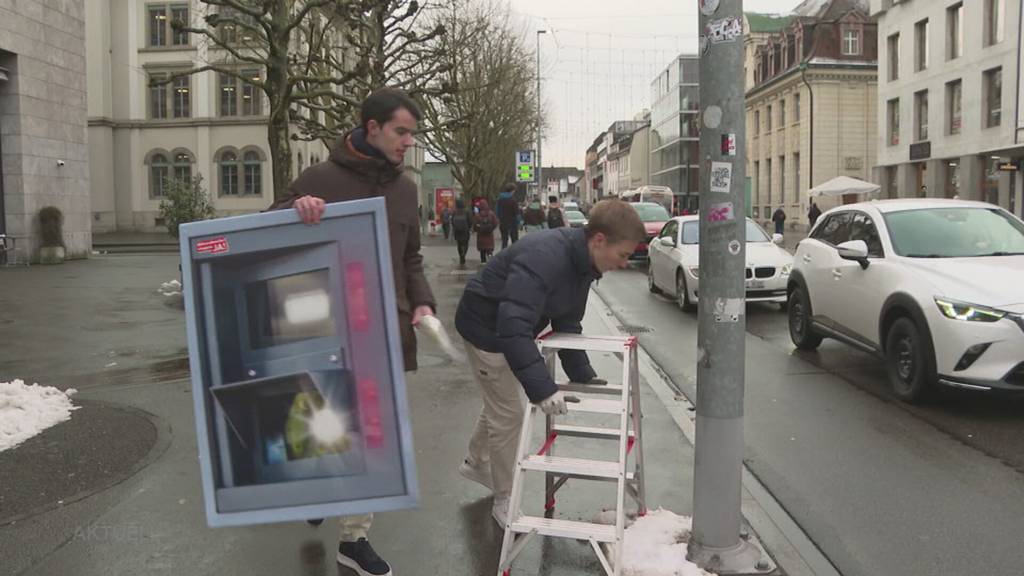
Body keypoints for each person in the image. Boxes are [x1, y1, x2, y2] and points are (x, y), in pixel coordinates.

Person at [269, 87, 435, 576]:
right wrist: (295, 211)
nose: (408, 142)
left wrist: (422, 300)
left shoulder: (406, 188)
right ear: (373, 129)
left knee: (368, 436)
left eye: (412, 133)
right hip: (319, 329)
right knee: (320, 422)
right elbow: (263, 231)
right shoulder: (318, 177)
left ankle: (353, 538)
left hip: (381, 331)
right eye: (401, 132)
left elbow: (411, 257)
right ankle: (317, 487)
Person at [454, 199, 647, 527]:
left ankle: (476, 461)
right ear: (599, 240)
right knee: (509, 416)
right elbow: (512, 325)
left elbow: (567, 320)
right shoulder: (545, 258)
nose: (625, 263)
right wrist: (543, 390)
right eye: (624, 255)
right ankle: (505, 498)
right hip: (486, 330)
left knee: (500, 403)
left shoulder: (584, 264)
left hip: (508, 330)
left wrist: (582, 373)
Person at [496, 183, 520, 249]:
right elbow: (517, 214)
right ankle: (514, 256)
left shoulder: (500, 199)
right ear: (513, 190)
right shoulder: (513, 200)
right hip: (513, 223)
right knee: (515, 241)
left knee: (504, 241)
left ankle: (503, 256)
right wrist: (519, 223)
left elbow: (497, 211)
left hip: (503, 223)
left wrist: (500, 219)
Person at [450, 198, 473, 266]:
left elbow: (452, 221)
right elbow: (470, 221)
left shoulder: (455, 212)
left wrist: (455, 227)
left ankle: (461, 256)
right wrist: (468, 227)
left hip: (457, 231)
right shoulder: (467, 211)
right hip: (465, 231)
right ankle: (464, 254)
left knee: (459, 244)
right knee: (465, 243)